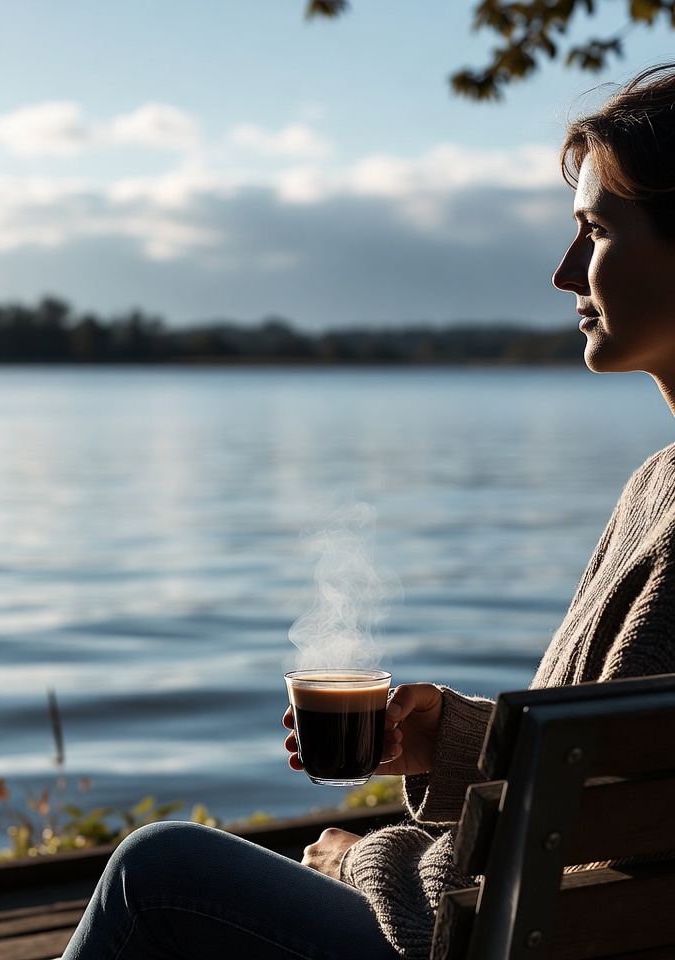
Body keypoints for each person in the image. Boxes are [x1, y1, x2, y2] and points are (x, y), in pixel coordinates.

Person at [60, 62, 675, 960]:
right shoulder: (655, 486)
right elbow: (612, 800)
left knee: (158, 874)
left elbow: (567, 885)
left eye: (597, 230)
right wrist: (457, 742)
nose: (562, 271)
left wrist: (366, 860)